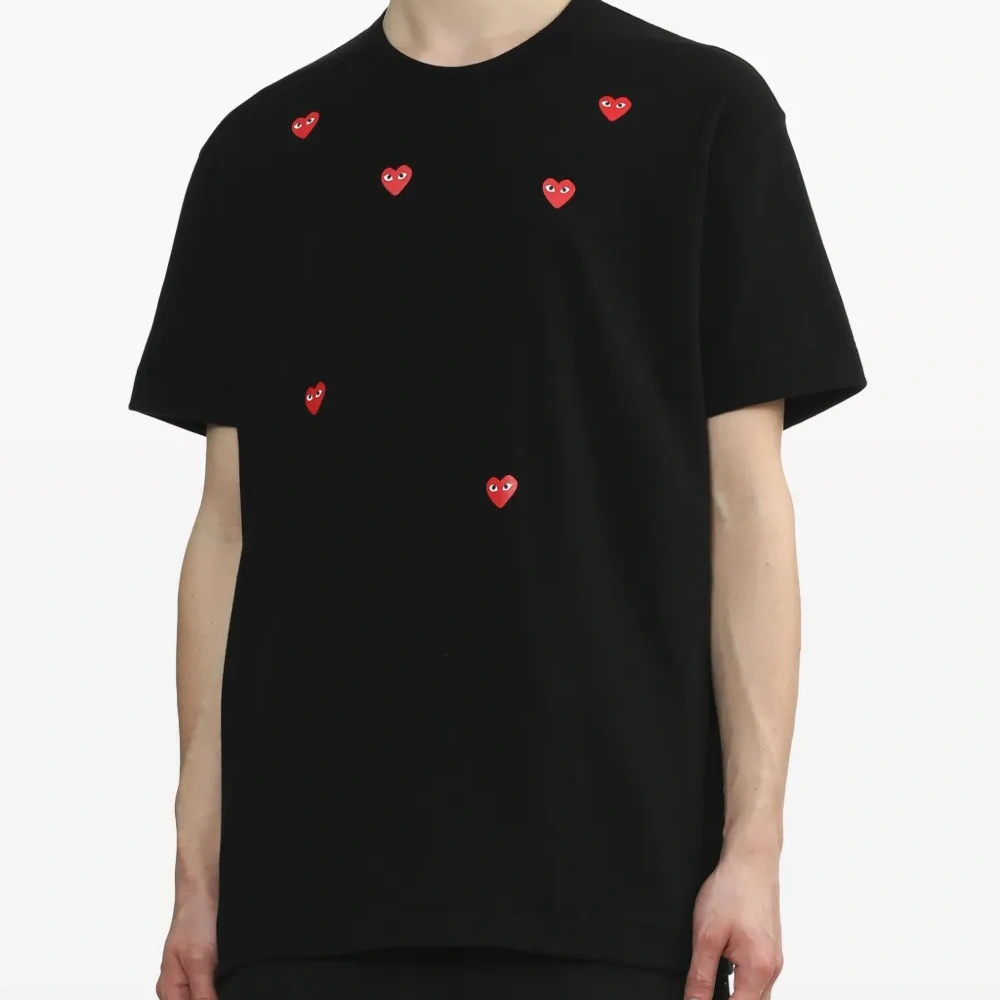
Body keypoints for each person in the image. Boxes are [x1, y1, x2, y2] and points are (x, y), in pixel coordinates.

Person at [130, 0, 866, 998]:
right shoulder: (260, 149)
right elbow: (227, 527)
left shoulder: (701, 111)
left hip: (614, 881)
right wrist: (195, 869)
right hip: (303, 888)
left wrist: (755, 844)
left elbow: (745, 506)